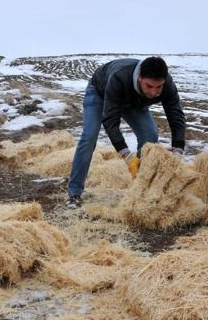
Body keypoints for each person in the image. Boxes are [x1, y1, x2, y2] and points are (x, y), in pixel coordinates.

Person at [66, 57, 186, 208]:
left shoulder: (167, 84)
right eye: (149, 86)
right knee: (89, 137)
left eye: (158, 87)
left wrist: (178, 150)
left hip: (132, 100)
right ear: (140, 77)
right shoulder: (119, 78)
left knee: (150, 136)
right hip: (100, 92)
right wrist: (128, 157)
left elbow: (176, 115)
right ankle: (74, 193)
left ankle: (141, 187)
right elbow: (110, 121)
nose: (154, 92)